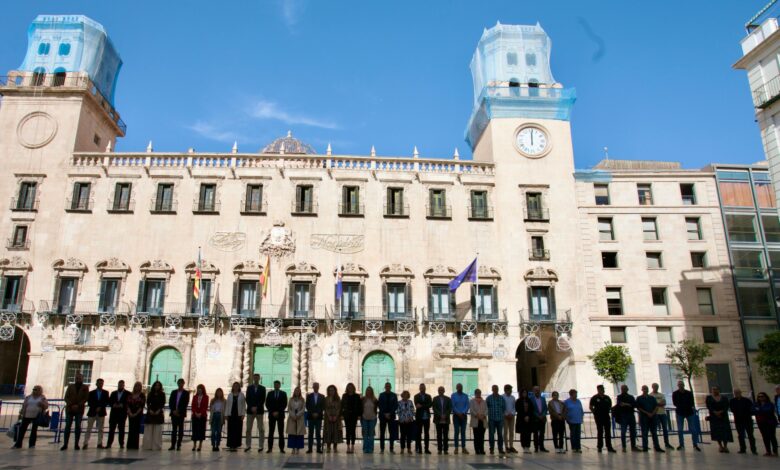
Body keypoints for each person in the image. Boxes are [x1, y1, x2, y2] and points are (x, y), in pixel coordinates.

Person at [61, 372, 89, 451]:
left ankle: (76, 444)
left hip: (79, 409)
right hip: (70, 409)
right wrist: (71, 404)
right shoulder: (70, 386)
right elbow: (66, 397)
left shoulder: (85, 387)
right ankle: (65, 444)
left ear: (82, 379)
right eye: (77, 378)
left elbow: (86, 398)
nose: (78, 379)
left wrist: (78, 405)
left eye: (79, 378)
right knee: (67, 426)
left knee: (78, 426)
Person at [13, 385, 48, 449]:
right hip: (27, 415)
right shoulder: (28, 397)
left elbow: (46, 406)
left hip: (36, 416)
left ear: (40, 391)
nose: (34, 391)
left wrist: (42, 404)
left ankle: (32, 444)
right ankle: (18, 444)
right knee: (22, 430)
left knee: (34, 431)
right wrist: (21, 414)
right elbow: (24, 405)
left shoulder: (42, 398)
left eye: (36, 389)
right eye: (34, 389)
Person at [672, 380, 700, 451]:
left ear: (684, 385)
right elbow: (675, 403)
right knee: (680, 430)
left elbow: (692, 402)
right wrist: (683, 405)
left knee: (693, 429)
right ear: (678, 386)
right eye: (679, 385)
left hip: (689, 412)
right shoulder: (675, 393)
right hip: (680, 413)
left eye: (681, 384)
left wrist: (684, 405)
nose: (680, 386)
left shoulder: (689, 393)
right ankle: (681, 444)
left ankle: (695, 444)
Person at [636, 385, 663, 452]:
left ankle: (657, 447)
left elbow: (656, 406)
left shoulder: (652, 398)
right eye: (644, 389)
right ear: (642, 390)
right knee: (644, 433)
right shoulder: (639, 398)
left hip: (652, 418)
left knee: (654, 433)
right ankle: (645, 447)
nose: (645, 390)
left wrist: (652, 413)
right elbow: (639, 408)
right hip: (644, 418)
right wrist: (647, 413)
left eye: (646, 389)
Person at [83, 378, 109, 449]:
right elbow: (89, 402)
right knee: (89, 428)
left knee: (101, 429)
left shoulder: (106, 392)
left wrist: (100, 407)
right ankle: (85, 443)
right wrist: (96, 407)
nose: (100, 384)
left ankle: (99, 443)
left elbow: (106, 402)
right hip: (92, 412)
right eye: (99, 383)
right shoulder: (91, 393)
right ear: (96, 384)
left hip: (101, 412)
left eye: (102, 383)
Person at [730, 388, 757, 454]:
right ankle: (743, 448)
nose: (736, 394)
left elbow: (751, 409)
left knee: (750, 435)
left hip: (747, 420)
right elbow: (732, 409)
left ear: (740, 393)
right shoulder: (732, 401)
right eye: (735, 393)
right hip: (738, 420)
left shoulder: (746, 400)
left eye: (738, 393)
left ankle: (753, 449)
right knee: (740, 435)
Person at [706, 386, 733, 453]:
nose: (714, 391)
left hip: (723, 416)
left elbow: (726, 406)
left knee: (725, 431)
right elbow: (709, 406)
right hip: (714, 417)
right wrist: (715, 412)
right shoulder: (709, 398)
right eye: (713, 389)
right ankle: (720, 446)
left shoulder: (724, 398)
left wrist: (721, 411)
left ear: (718, 390)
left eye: (716, 389)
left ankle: (726, 446)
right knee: (717, 432)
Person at [589, 385, 616, 453]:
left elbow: (610, 406)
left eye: (602, 389)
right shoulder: (595, 398)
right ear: (598, 390)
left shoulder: (607, 398)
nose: (602, 390)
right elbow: (591, 406)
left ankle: (609, 446)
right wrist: (594, 413)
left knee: (608, 432)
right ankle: (599, 447)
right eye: (600, 389)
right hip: (598, 417)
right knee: (600, 431)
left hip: (606, 416)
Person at [244, 373, 266, 453]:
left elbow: (263, 399)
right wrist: (251, 407)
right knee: (248, 429)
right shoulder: (249, 388)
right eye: (255, 377)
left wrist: (256, 407)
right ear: (253, 378)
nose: (256, 379)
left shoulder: (262, 388)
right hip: (250, 411)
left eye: (257, 377)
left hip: (259, 411)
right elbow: (247, 398)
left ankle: (261, 446)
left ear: (259, 378)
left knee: (261, 429)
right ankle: (248, 445)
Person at [753, 391, 778, 456]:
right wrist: (759, 410)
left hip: (770, 422)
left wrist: (759, 410)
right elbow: (752, 410)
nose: (760, 398)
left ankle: (775, 451)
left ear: (765, 397)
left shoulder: (770, 404)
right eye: (759, 397)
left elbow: (768, 411)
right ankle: (768, 451)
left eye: (762, 396)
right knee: (765, 437)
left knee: (772, 437)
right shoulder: (756, 404)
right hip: (761, 423)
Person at [265, 380, 288, 453]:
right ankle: (270, 448)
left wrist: (278, 412)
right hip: (272, 415)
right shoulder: (270, 393)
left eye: (278, 385)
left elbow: (285, 404)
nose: (276, 386)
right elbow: (267, 403)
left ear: (280, 385)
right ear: (274, 385)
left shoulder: (283, 394)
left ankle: (281, 448)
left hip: (280, 415)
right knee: (271, 432)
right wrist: (272, 412)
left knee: (281, 432)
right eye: (275, 385)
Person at [614, 384, 638, 452]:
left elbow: (634, 405)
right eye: (622, 389)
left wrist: (626, 404)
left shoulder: (631, 397)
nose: (624, 390)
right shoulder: (619, 397)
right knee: (623, 432)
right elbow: (620, 404)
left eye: (625, 388)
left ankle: (633, 446)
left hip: (631, 415)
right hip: (623, 415)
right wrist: (629, 404)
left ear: (627, 389)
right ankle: (624, 446)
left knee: (633, 431)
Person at [143, 381, 165, 451]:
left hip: (158, 413)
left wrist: (159, 410)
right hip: (151, 413)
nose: (157, 387)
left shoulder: (162, 394)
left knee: (157, 430)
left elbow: (162, 403)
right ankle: (148, 445)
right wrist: (150, 410)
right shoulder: (150, 394)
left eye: (158, 385)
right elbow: (148, 403)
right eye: (156, 385)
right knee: (149, 429)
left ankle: (156, 446)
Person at [649, 383, 673, 450]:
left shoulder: (661, 395)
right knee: (654, 430)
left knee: (665, 429)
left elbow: (664, 403)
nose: (655, 387)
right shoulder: (650, 395)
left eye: (657, 386)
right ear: (652, 387)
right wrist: (659, 403)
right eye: (654, 386)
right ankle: (656, 444)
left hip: (662, 413)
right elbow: (652, 405)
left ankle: (667, 443)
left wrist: (656, 404)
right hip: (655, 414)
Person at [168, 378, 189, 451]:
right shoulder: (173, 392)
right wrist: (173, 410)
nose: (180, 384)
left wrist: (179, 411)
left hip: (181, 414)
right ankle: (172, 445)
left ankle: (179, 444)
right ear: (177, 384)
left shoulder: (186, 393)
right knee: (174, 430)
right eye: (179, 383)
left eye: (181, 383)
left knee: (180, 430)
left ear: (183, 384)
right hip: (174, 413)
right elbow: (170, 402)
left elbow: (185, 404)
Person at [106, 380, 128, 449]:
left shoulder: (128, 393)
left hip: (122, 414)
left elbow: (128, 403)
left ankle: (121, 443)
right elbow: (109, 402)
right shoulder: (113, 393)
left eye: (122, 385)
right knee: (111, 430)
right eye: (119, 385)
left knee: (121, 430)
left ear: (124, 385)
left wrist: (123, 405)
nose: (120, 386)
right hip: (114, 414)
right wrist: (113, 404)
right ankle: (109, 443)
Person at [341, 383, 362, 454]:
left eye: (351, 387)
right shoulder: (344, 396)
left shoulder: (357, 396)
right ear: (347, 388)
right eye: (349, 387)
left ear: (353, 388)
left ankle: (352, 446)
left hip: (354, 415)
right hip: (347, 415)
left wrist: (359, 415)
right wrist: (341, 415)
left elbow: (359, 406)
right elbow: (342, 405)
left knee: (353, 431)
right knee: (347, 430)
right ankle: (348, 446)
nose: (350, 388)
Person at [225, 381, 246, 451]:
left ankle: (236, 445)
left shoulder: (242, 395)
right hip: (231, 414)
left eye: (237, 386)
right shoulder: (230, 395)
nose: (236, 387)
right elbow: (227, 405)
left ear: (239, 387)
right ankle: (231, 444)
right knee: (230, 430)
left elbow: (243, 405)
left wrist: (243, 414)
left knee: (237, 430)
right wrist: (226, 414)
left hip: (238, 414)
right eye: (235, 386)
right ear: (233, 387)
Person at [378, 382, 398, 453]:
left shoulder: (394, 395)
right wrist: (384, 413)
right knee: (382, 433)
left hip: (391, 416)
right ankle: (382, 448)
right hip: (383, 416)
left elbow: (395, 405)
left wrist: (390, 413)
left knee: (391, 433)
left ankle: (391, 448)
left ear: (390, 387)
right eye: (386, 386)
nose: (387, 387)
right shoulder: (381, 395)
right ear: (385, 387)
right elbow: (379, 405)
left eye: (389, 386)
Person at [305, 382, 325, 454]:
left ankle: (318, 449)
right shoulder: (309, 396)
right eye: (314, 386)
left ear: (318, 387)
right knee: (310, 433)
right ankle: (310, 448)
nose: (316, 387)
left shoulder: (322, 396)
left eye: (317, 386)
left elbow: (323, 406)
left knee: (318, 433)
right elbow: (307, 406)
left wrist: (317, 413)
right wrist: (312, 413)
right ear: (313, 387)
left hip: (318, 417)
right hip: (311, 417)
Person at [486, 385, 506, 455]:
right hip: (492, 419)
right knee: (491, 434)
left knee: (500, 434)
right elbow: (486, 407)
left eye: (496, 389)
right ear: (492, 389)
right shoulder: (489, 398)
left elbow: (504, 408)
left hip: (500, 419)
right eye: (494, 389)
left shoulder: (501, 398)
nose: (495, 390)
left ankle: (500, 449)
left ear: (498, 389)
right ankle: (492, 448)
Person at [451, 383, 470, 455]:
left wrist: (463, 412)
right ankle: (456, 448)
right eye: (458, 387)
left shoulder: (465, 396)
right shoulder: (453, 395)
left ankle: (463, 447)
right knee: (456, 432)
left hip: (463, 416)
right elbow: (453, 405)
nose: (459, 388)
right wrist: (458, 413)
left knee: (463, 432)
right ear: (456, 388)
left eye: (460, 387)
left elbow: (467, 405)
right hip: (456, 416)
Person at [414, 383, 432, 454]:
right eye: (421, 388)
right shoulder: (416, 396)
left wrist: (421, 405)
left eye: (423, 388)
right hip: (419, 417)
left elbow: (430, 405)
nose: (422, 389)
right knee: (418, 433)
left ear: (425, 388)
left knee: (426, 433)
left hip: (426, 417)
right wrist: (425, 405)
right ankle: (419, 449)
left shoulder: (428, 396)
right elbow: (417, 405)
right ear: (419, 388)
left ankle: (426, 449)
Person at [126, 382, 145, 450]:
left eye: (139, 386)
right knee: (131, 429)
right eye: (136, 386)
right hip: (130, 414)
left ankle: (135, 445)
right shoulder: (130, 395)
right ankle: (129, 445)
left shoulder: (142, 395)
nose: (137, 387)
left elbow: (141, 405)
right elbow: (127, 404)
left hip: (138, 414)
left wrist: (136, 413)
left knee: (136, 429)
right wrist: (130, 412)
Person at [433, 386, 452, 455]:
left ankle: (446, 449)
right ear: (438, 391)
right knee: (439, 435)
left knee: (446, 435)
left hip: (446, 419)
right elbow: (434, 408)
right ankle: (439, 449)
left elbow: (449, 408)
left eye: (442, 390)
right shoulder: (435, 399)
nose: (440, 391)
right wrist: (440, 415)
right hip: (438, 419)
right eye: (439, 390)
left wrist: (445, 415)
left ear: (444, 391)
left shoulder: (448, 399)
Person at [323, 384, 343, 452]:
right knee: (328, 431)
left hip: (336, 418)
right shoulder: (326, 398)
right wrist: (329, 416)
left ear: (335, 391)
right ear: (328, 391)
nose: (331, 391)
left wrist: (336, 416)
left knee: (335, 432)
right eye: (330, 390)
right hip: (328, 418)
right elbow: (325, 408)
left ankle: (335, 447)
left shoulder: (338, 399)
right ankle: (328, 447)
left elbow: (339, 408)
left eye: (332, 390)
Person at [286, 386, 305, 454]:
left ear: (300, 392)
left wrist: (298, 415)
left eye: (298, 391)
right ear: (294, 392)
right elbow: (289, 408)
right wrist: (293, 415)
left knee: (299, 434)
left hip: (299, 418)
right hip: (292, 418)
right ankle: (293, 448)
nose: (297, 392)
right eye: (296, 391)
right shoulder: (291, 399)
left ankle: (298, 449)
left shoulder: (302, 399)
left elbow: (303, 409)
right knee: (292, 434)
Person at [190, 384, 209, 452]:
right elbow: (192, 406)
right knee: (194, 430)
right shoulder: (195, 397)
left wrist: (200, 413)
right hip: (195, 416)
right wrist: (195, 413)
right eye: (198, 389)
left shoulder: (206, 397)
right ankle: (194, 445)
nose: (199, 390)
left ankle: (200, 445)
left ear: (203, 389)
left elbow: (205, 406)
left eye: (200, 389)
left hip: (202, 416)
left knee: (201, 430)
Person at [564, 389, 583, 453]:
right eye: (575, 394)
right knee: (573, 434)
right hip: (571, 420)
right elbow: (565, 411)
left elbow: (581, 409)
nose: (576, 395)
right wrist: (566, 418)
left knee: (578, 434)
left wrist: (581, 417)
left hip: (578, 420)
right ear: (571, 394)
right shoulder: (567, 402)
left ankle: (578, 447)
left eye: (576, 394)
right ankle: (574, 447)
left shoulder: (578, 401)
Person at [530, 386, 548, 453]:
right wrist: (538, 416)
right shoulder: (531, 399)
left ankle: (542, 447)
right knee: (535, 434)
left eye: (538, 390)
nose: (537, 391)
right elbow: (532, 409)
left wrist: (543, 415)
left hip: (542, 419)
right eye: (536, 390)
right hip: (535, 419)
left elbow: (545, 408)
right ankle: (536, 447)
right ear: (533, 391)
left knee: (542, 434)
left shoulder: (543, 399)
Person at [515, 389, 534, 454]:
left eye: (525, 392)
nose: (524, 394)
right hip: (521, 419)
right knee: (523, 433)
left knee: (528, 433)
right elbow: (518, 409)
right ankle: (524, 446)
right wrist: (524, 416)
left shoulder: (529, 401)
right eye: (523, 392)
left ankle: (527, 446)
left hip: (528, 419)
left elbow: (531, 409)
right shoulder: (518, 401)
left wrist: (528, 416)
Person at [470, 389, 488, 455]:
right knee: (476, 436)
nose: (478, 394)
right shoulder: (472, 401)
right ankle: (477, 450)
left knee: (482, 436)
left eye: (479, 393)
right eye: (477, 393)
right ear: (475, 393)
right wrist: (477, 415)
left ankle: (482, 449)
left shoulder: (484, 401)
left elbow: (486, 409)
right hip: (476, 420)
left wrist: (483, 415)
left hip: (483, 420)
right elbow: (471, 410)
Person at [361, 386, 379, 453]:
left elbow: (378, 407)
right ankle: (365, 448)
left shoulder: (375, 400)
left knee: (371, 434)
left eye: (370, 390)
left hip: (372, 418)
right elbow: (360, 408)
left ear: (372, 391)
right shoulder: (362, 399)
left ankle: (371, 448)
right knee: (365, 434)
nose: (368, 391)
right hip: (364, 418)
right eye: (367, 390)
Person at [502, 384, 517, 453]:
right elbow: (502, 407)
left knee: (511, 432)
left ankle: (511, 446)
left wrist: (512, 413)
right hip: (505, 417)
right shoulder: (502, 397)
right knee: (505, 432)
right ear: (505, 390)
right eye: (509, 390)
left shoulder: (513, 397)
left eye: (511, 390)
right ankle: (506, 446)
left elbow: (514, 407)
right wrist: (506, 414)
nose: (510, 391)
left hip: (512, 416)